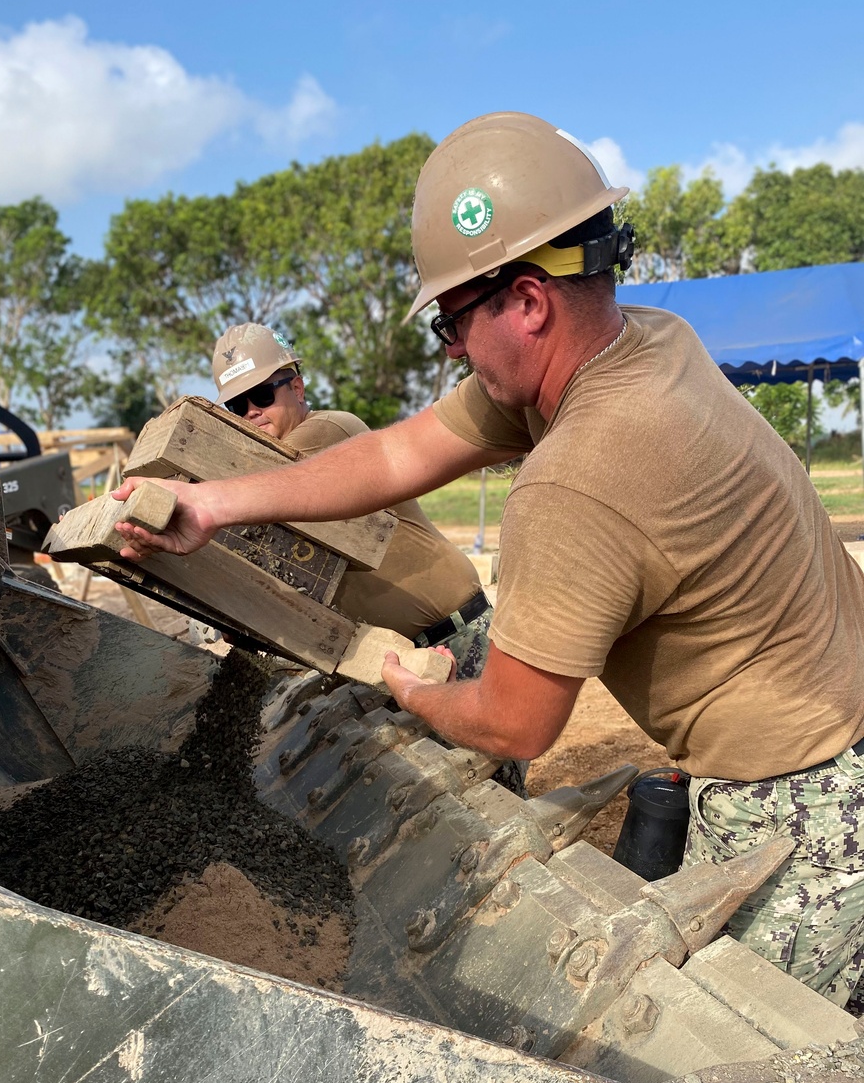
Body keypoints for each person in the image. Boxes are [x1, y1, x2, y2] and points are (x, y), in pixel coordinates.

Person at [114, 111, 864, 1020]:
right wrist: (215, 502)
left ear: (529, 302)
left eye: (452, 324)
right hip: (831, 728)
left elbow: (514, 725)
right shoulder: (645, 341)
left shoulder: (579, 476)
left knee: (758, 1062)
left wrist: (412, 684)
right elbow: (398, 455)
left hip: (805, 804)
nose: (455, 350)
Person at [209, 322, 492, 671]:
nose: (252, 411)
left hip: (455, 634)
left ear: (296, 388)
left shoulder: (328, 432)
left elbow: (251, 485)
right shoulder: (273, 485)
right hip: (402, 655)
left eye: (263, 395)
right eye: (238, 404)